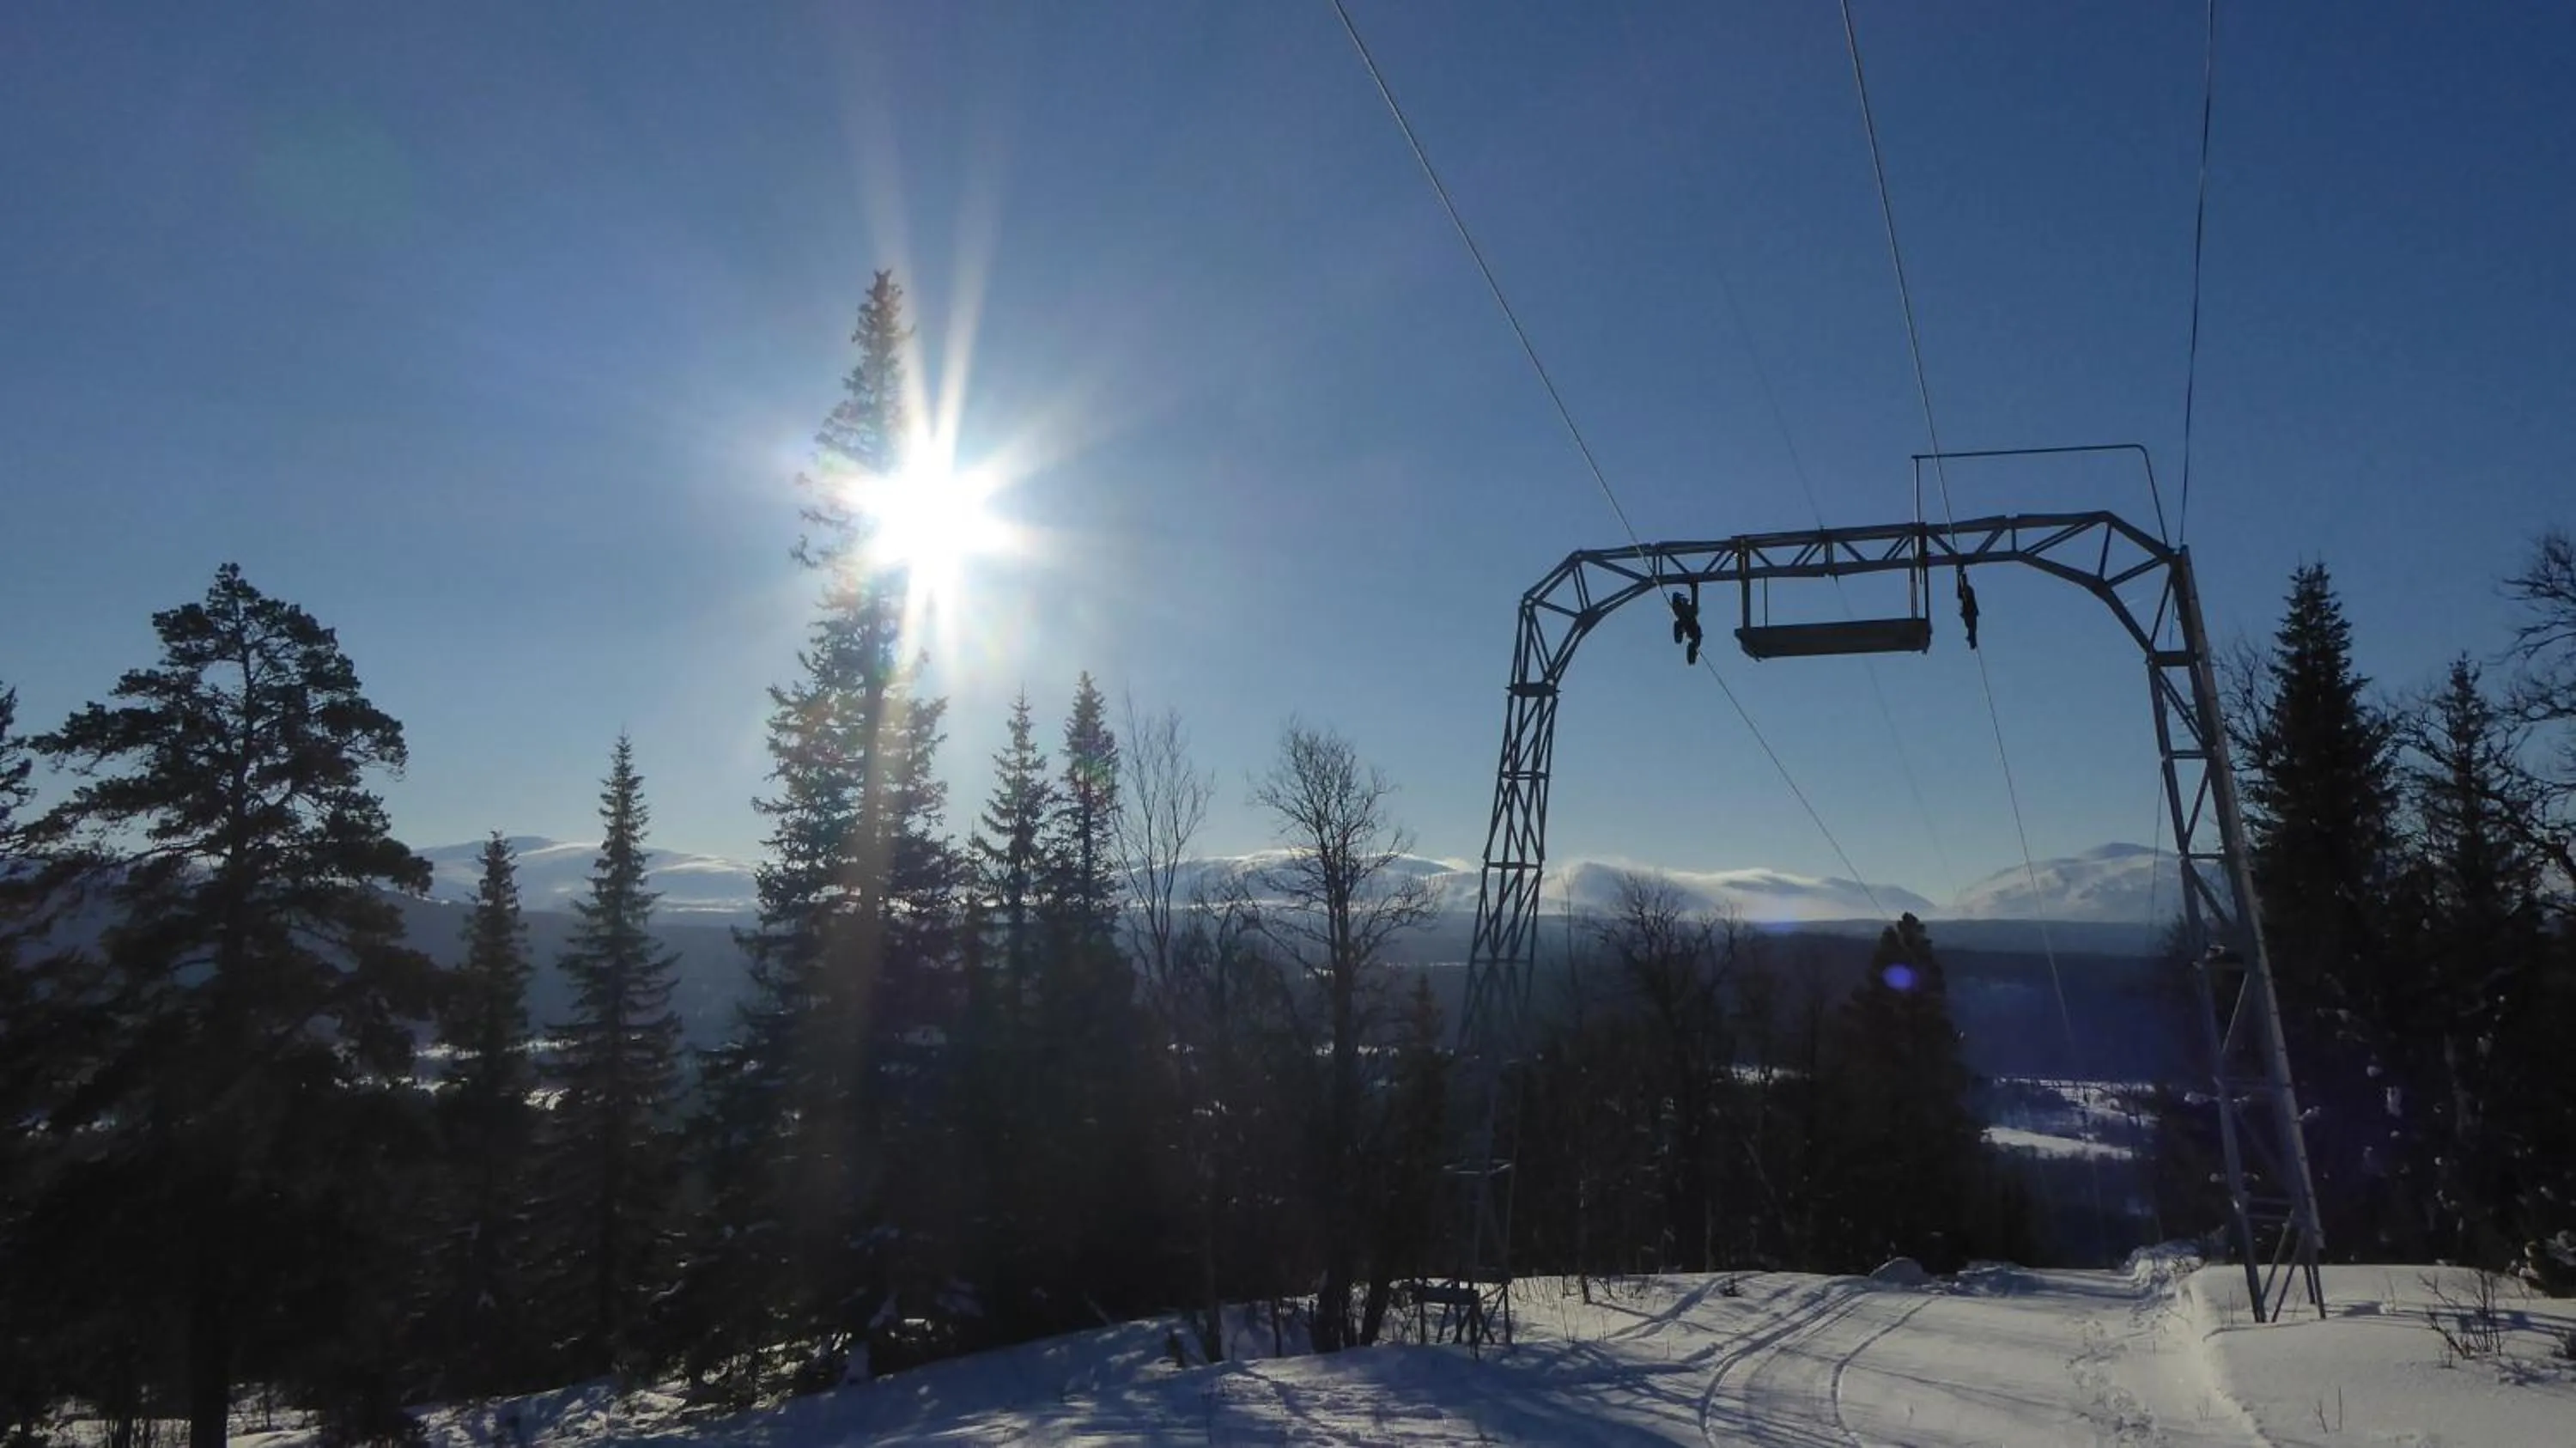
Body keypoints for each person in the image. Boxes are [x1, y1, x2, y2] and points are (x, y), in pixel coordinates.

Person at [1668, 589, 1704, 665]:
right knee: (1682, 639)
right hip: (1689, 625)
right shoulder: (1682, 612)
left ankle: (1692, 658)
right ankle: (1691, 658)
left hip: (1689, 624)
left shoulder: (1681, 612)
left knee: (1683, 639)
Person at [1956, 569, 1980, 650]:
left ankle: (1972, 641)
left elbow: (1964, 597)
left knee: (1971, 627)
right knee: (1971, 627)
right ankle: (1972, 640)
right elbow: (1960, 596)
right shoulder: (1966, 590)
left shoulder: (1968, 590)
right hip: (1969, 612)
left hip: (1970, 612)